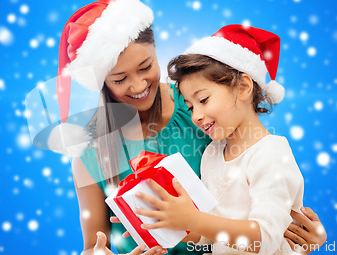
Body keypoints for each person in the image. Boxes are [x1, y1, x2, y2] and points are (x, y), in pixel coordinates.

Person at [55, 0, 326, 254]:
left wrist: (303, 233)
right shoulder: (90, 148)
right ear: (101, 82)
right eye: (119, 78)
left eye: (146, 66)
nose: (138, 86)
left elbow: (260, 181)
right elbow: (94, 245)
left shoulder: (200, 103)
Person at [131, 25, 323, 254]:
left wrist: (194, 220)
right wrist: (162, 219)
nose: (196, 116)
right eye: (190, 107)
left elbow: (264, 240)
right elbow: (209, 234)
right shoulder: (212, 153)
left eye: (203, 100)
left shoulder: (271, 154)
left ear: (243, 87)